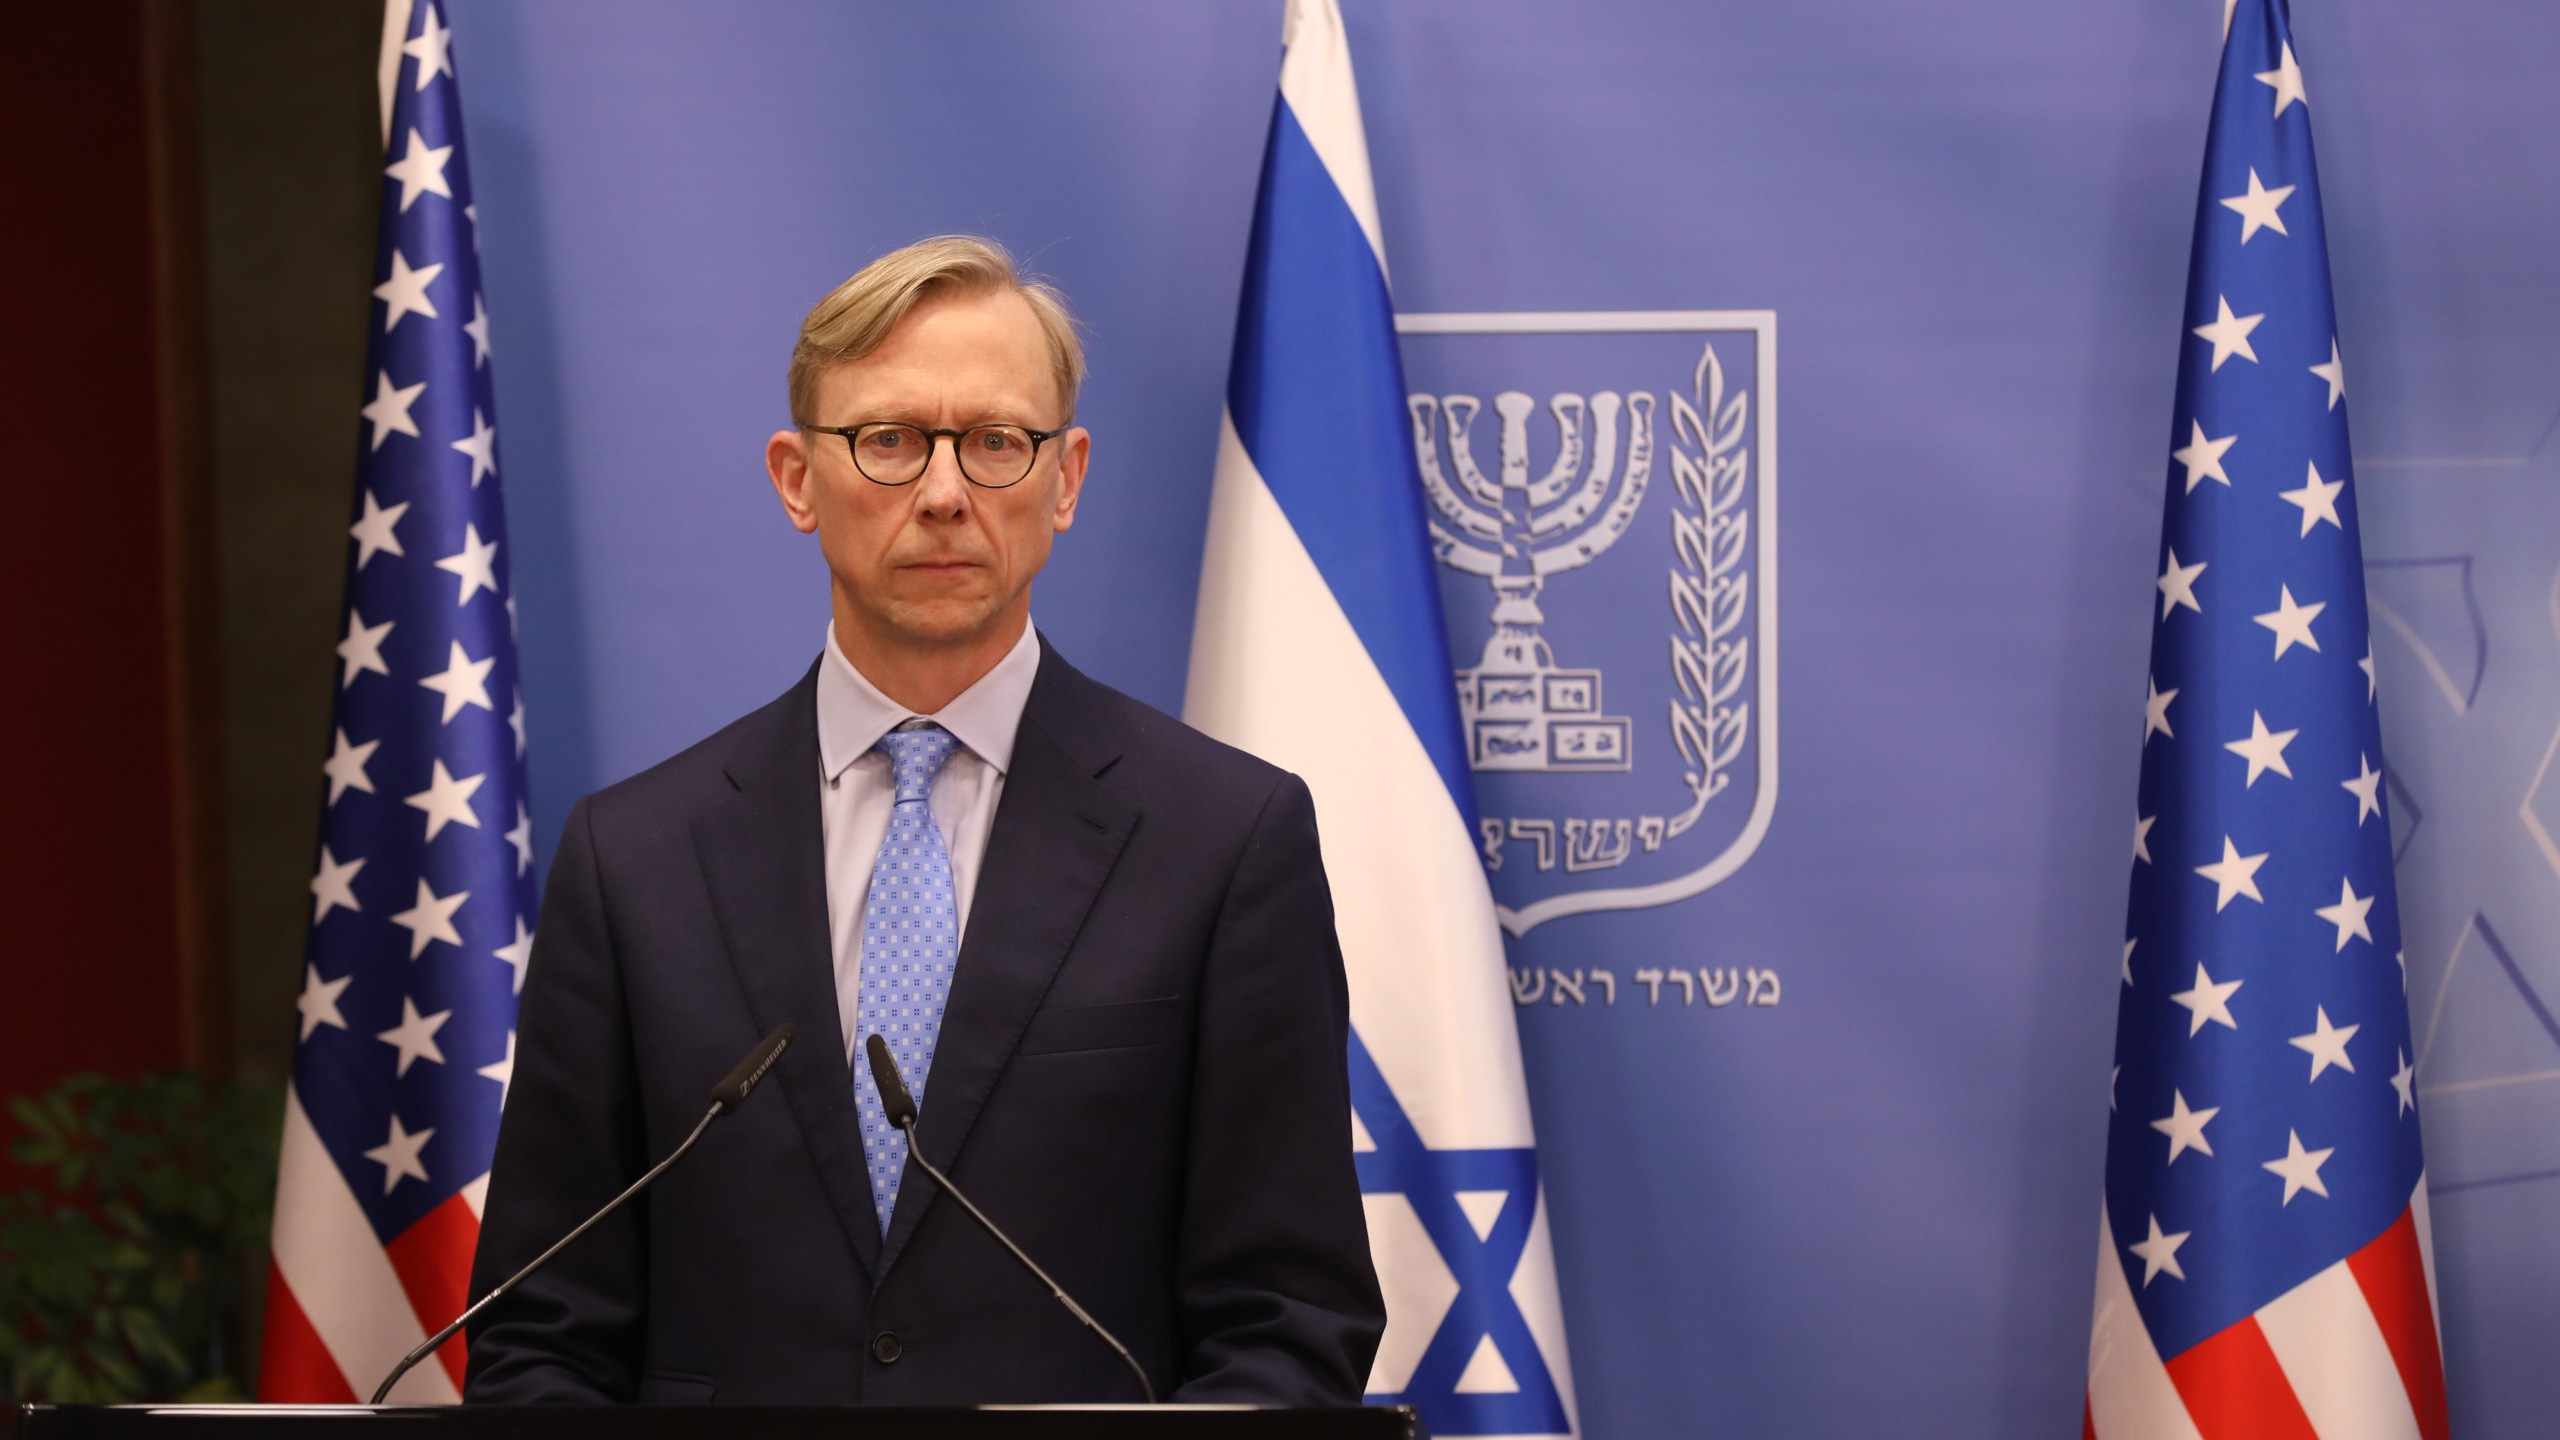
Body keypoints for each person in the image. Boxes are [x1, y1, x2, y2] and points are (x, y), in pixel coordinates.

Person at [465, 236, 1384, 1405]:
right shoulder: (633, 860)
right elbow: (539, 1336)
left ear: (1066, 480)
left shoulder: (1222, 840)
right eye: (889, 440)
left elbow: (1290, 1331)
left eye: (997, 441)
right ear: (798, 479)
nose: (945, 493)